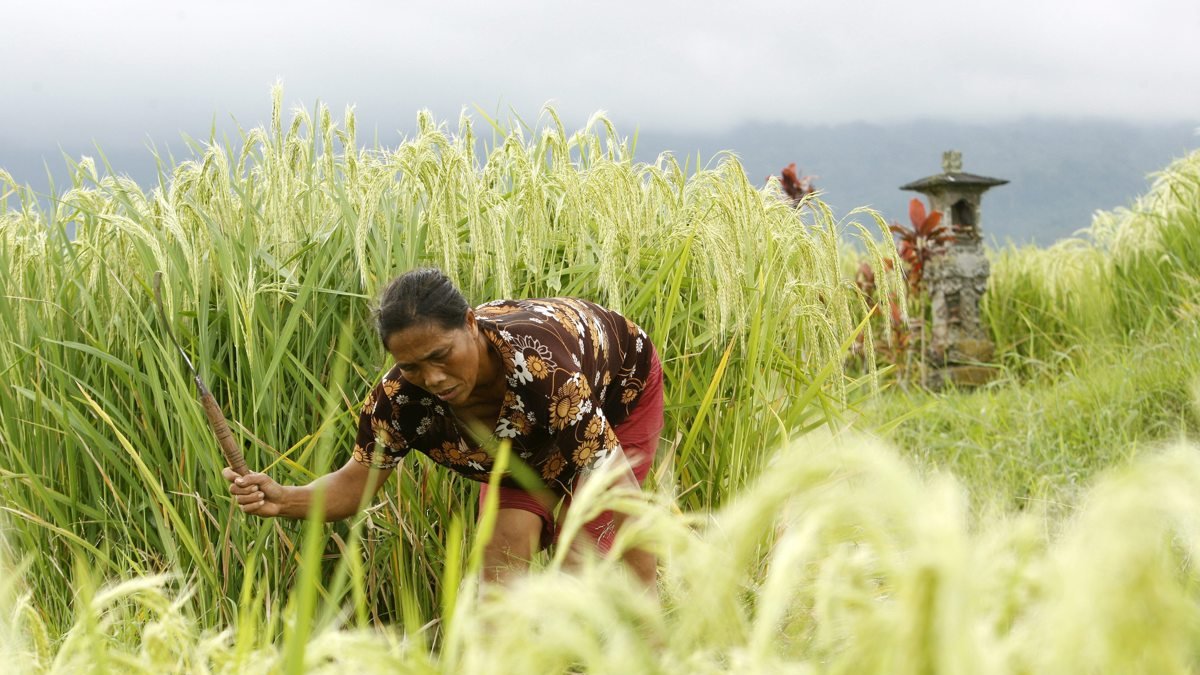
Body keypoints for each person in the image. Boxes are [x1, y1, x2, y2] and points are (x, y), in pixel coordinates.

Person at [223, 268, 664, 587]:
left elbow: (620, 502)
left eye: (441, 355)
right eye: (412, 366)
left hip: (615, 394)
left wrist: (652, 620)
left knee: (579, 572)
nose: (432, 378)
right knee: (498, 579)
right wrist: (283, 499)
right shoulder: (399, 401)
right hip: (518, 445)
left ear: (471, 324)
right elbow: (354, 486)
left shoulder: (544, 371)